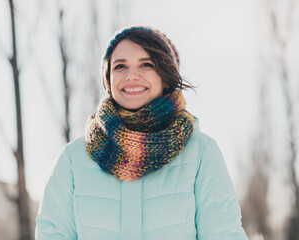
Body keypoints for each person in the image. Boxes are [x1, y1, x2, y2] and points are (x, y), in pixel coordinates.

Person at [35, 26, 248, 240]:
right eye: (120, 66)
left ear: (166, 77)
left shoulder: (201, 153)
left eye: (146, 64)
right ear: (108, 79)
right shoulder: (72, 159)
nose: (131, 75)